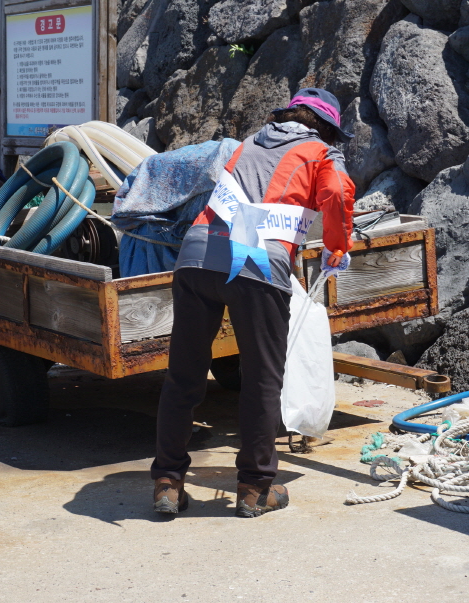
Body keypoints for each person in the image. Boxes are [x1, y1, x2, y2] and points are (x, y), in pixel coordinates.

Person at [151, 88, 356, 518]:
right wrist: (337, 245)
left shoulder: (248, 144)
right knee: (262, 379)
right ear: (327, 129)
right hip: (257, 265)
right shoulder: (321, 153)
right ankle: (255, 488)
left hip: (196, 256)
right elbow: (336, 193)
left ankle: (167, 482)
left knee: (184, 374)